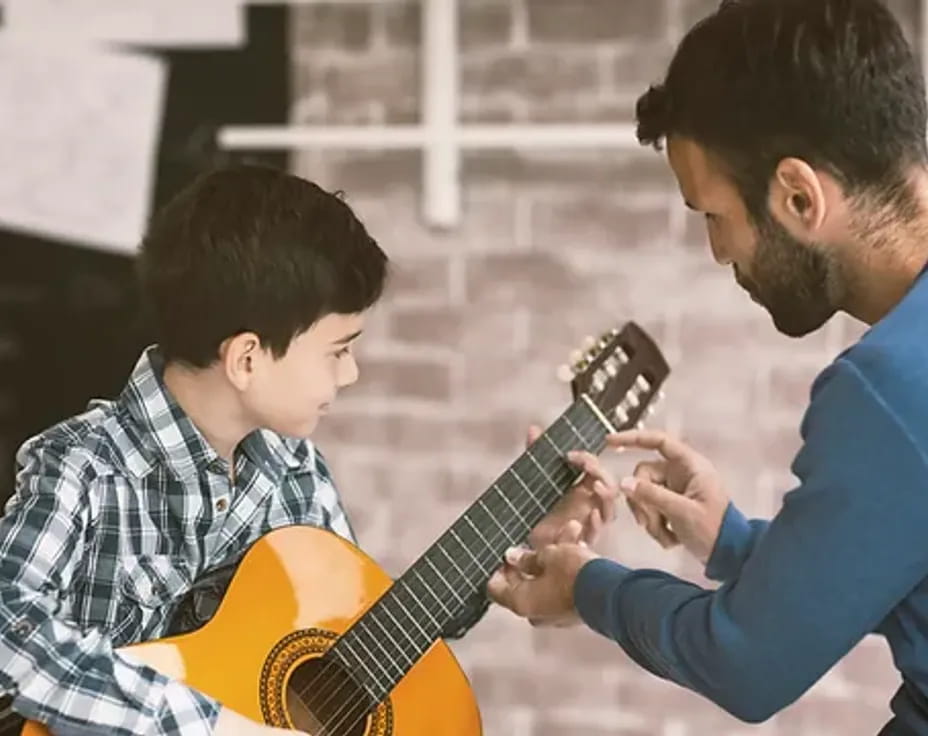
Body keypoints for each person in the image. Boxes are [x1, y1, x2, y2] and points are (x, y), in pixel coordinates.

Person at [0, 164, 617, 736]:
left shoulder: (297, 471)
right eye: (338, 349)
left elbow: (362, 637)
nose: (349, 374)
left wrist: (517, 536)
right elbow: (9, 630)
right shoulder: (82, 466)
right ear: (246, 358)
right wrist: (212, 726)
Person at [487, 1, 928, 734]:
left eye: (712, 216)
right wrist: (732, 543)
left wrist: (586, 586)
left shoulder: (888, 388)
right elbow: (882, 564)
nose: (719, 253)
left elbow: (747, 662)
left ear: (797, 196)